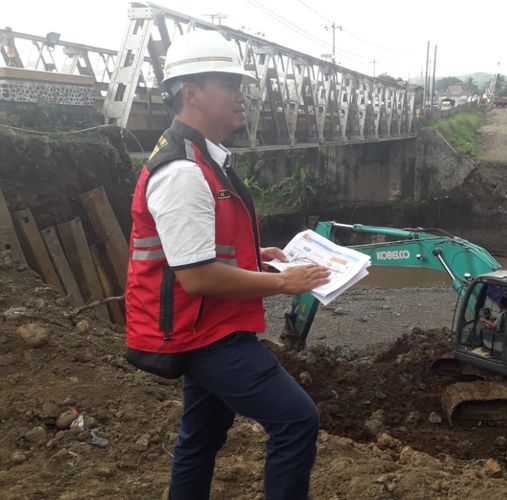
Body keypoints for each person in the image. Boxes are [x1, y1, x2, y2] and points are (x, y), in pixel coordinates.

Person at [124, 30, 330, 500]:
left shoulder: (203, 158)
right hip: (203, 333)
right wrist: (285, 285)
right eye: (230, 84)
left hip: (206, 325)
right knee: (297, 420)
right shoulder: (182, 171)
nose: (243, 95)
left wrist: (255, 256)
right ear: (191, 93)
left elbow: (193, 246)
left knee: (201, 437)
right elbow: (195, 276)